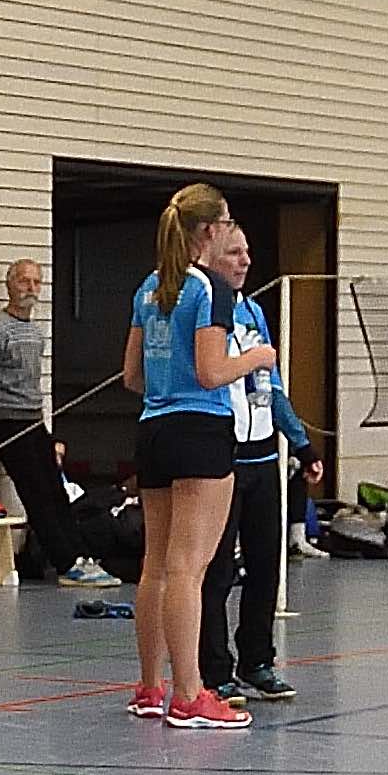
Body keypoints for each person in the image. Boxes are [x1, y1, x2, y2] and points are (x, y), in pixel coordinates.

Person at [120, 181, 272, 731]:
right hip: (201, 432)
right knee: (190, 566)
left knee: (155, 566)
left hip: (153, 432)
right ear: (209, 230)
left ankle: (150, 687)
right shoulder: (210, 289)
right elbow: (211, 372)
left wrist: (168, 387)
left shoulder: (149, 288)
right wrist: (258, 357)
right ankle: (189, 694)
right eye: (227, 223)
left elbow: (132, 375)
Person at [195, 218, 312, 702]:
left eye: (247, 253)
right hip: (221, 454)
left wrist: (301, 442)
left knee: (266, 563)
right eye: (234, 253)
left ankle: (258, 660)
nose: (245, 261)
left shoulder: (254, 313)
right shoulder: (201, 307)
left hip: (263, 455)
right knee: (217, 569)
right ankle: (212, 669)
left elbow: (272, 384)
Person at [0, 258, 120, 585]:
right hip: (6, 422)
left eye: (37, 282)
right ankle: (67, 564)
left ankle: (80, 556)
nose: (31, 288)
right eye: (24, 281)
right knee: (37, 494)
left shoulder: (36, 333)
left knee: (56, 490)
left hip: (33, 421)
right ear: (10, 285)